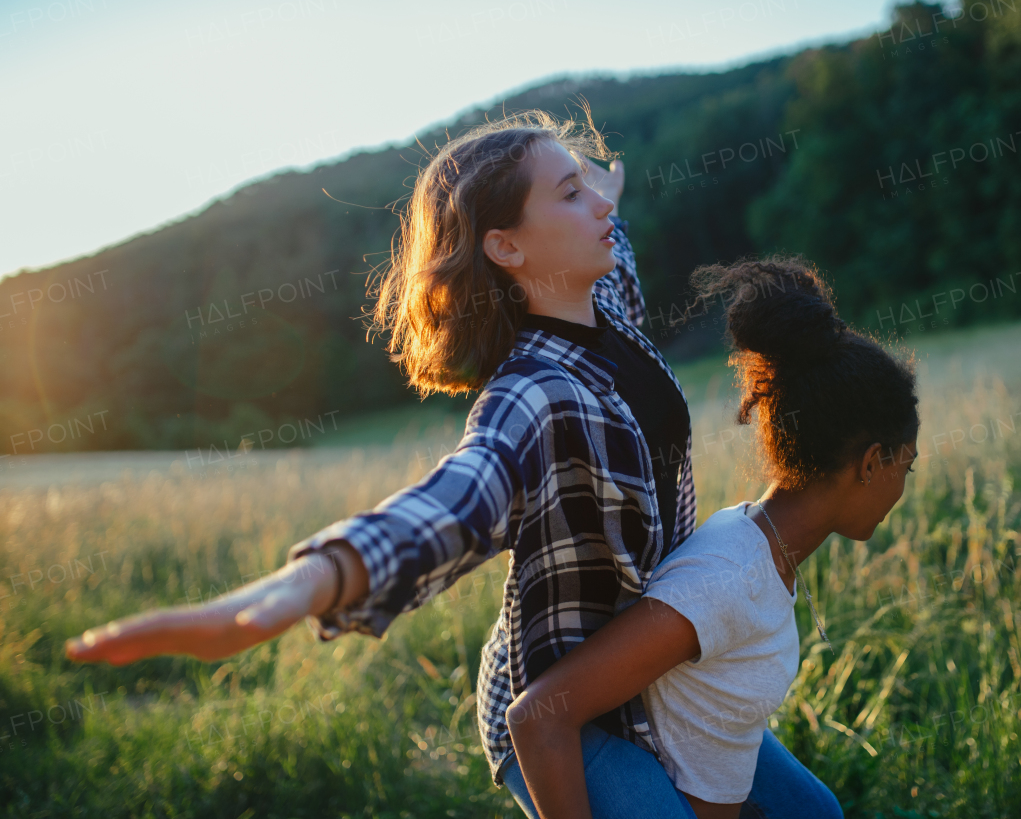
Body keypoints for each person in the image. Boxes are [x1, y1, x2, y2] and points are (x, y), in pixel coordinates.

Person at [63, 111, 843, 817]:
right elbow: (450, 504)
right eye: (569, 195)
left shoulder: (610, 306)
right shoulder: (532, 397)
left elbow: (613, 229)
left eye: (589, 190)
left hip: (648, 673)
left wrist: (596, 188)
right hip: (558, 702)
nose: (601, 209)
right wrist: (303, 585)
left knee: (816, 816)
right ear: (506, 247)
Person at [504, 257, 920, 818]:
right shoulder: (728, 579)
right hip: (564, 730)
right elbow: (539, 716)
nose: (904, 486)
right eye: (907, 467)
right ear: (872, 463)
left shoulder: (767, 543)